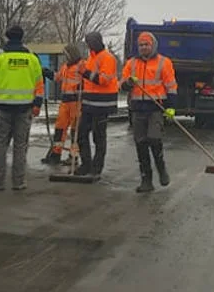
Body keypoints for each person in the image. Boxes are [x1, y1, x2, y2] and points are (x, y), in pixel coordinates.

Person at [0, 25, 45, 191]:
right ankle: (18, 181)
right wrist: (37, 104)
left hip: (3, 108)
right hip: (25, 108)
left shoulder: (0, 57)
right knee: (20, 145)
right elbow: (39, 84)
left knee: (0, 144)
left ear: (7, 37)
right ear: (22, 37)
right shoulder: (32, 58)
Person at [121, 31, 178, 192]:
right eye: (141, 45)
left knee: (154, 139)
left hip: (155, 109)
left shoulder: (164, 63)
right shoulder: (131, 63)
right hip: (138, 109)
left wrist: (171, 107)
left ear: (153, 45)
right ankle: (146, 180)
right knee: (141, 144)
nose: (144, 47)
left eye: (146, 44)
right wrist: (129, 83)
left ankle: (162, 170)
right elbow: (122, 84)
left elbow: (171, 86)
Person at [75, 31, 119, 178]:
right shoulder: (90, 58)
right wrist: (81, 78)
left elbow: (103, 80)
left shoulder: (108, 58)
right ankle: (86, 164)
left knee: (98, 136)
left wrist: (85, 72)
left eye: (90, 42)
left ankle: (96, 167)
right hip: (89, 103)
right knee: (81, 133)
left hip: (103, 103)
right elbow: (89, 79)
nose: (89, 45)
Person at [41, 44, 84, 166]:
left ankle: (73, 156)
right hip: (65, 101)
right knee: (60, 128)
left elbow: (86, 80)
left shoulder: (81, 66)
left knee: (75, 130)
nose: (65, 57)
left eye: (66, 54)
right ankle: (56, 154)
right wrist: (48, 73)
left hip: (76, 102)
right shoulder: (65, 66)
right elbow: (58, 77)